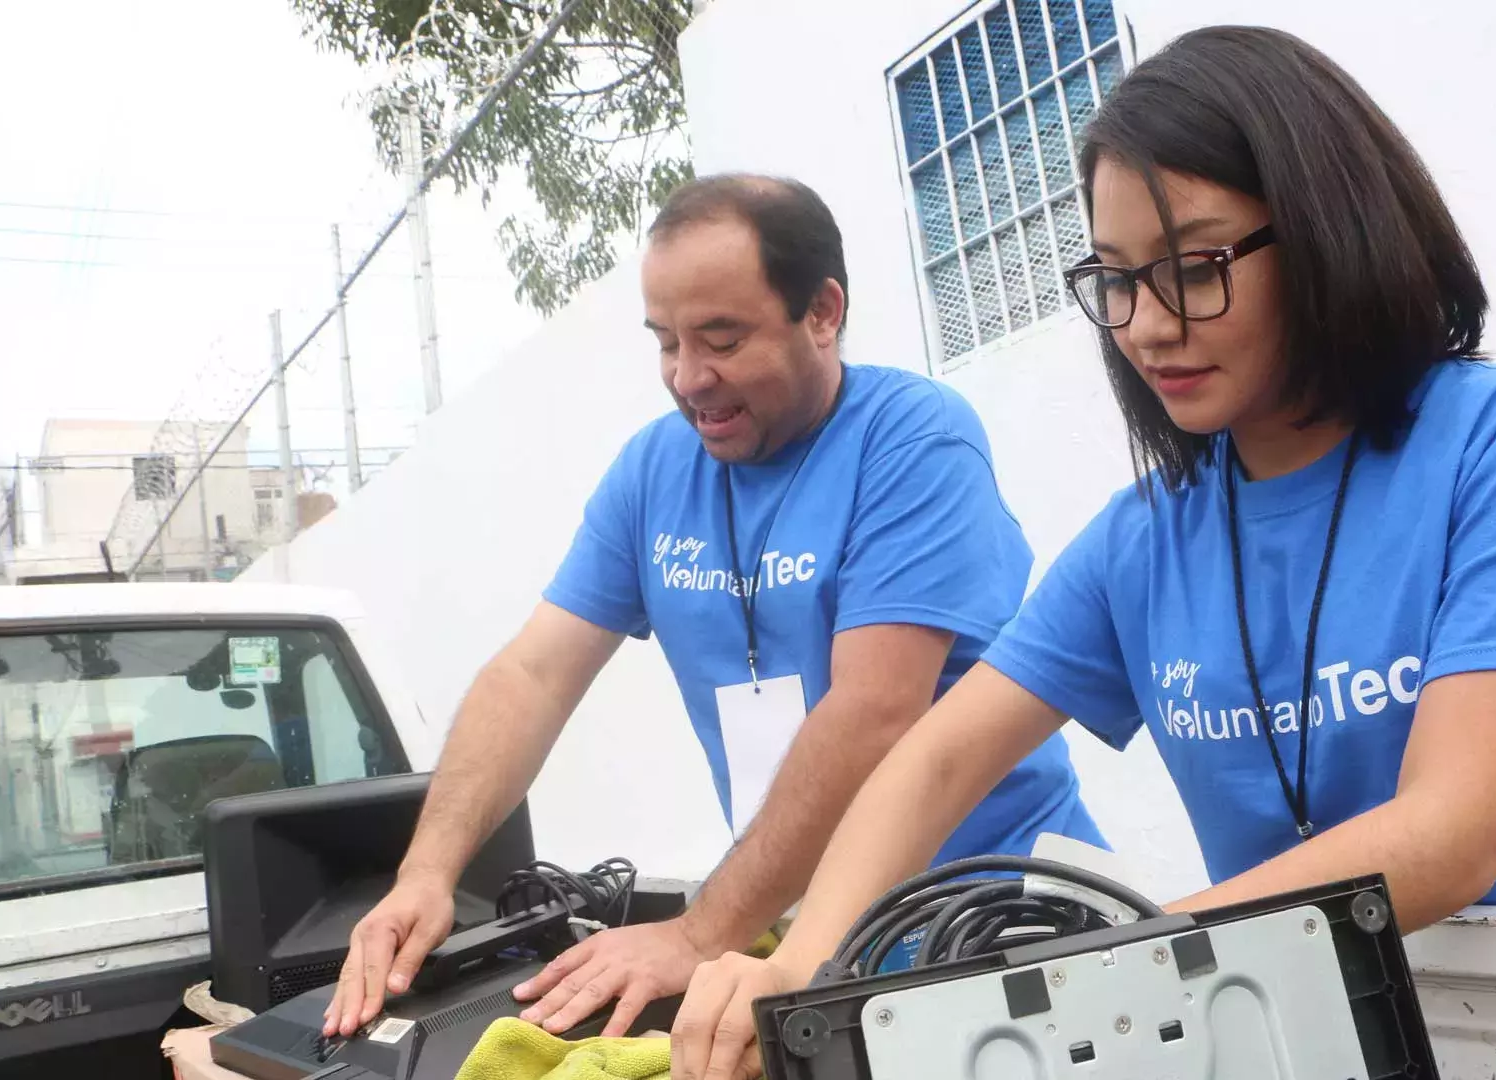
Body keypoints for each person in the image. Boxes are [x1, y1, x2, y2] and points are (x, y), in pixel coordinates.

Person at [670, 25, 1496, 1080]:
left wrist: (1095, 973)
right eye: (1117, 278)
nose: (1144, 325)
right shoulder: (1147, 539)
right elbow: (938, 755)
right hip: (1331, 1033)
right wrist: (804, 969)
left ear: (1327, 225)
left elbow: (1453, 831)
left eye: (1194, 265)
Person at [321, 173, 1105, 1042]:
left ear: (822, 311)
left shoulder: (916, 440)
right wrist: (427, 871)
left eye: (722, 339)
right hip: (810, 934)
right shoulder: (654, 470)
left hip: (996, 923)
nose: (689, 379)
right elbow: (533, 673)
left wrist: (702, 932)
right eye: (666, 342)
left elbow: (875, 713)